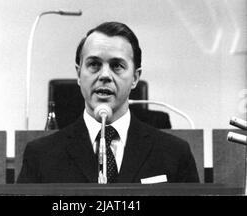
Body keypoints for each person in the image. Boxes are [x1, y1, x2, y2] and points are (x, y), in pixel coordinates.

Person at [17, 21, 199, 183]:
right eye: (94, 64)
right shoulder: (41, 155)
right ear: (79, 74)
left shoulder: (175, 153)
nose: (104, 75)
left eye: (117, 66)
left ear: (135, 77)